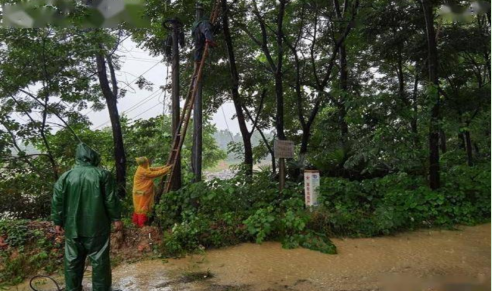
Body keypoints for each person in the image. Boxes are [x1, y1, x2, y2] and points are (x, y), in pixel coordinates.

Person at [52, 143, 122, 291]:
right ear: (93, 157)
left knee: (72, 261)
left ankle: (73, 289)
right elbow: (111, 199)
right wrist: (116, 218)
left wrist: (57, 221)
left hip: (72, 227)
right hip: (97, 226)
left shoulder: (66, 176)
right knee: (100, 261)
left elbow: (57, 200)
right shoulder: (102, 174)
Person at [132, 157, 171, 227]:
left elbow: (153, 169)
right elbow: (155, 174)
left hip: (138, 192)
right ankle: (142, 225)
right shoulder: (143, 171)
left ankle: (136, 223)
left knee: (138, 208)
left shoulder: (141, 167)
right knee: (142, 208)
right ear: (144, 163)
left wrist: (164, 167)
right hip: (141, 193)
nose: (148, 162)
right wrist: (167, 169)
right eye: (147, 161)